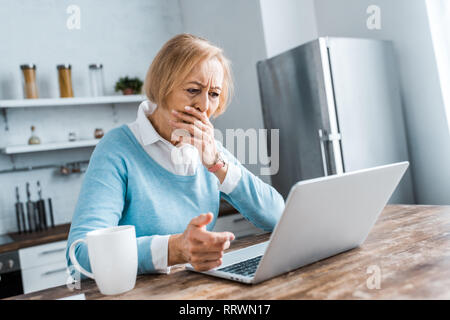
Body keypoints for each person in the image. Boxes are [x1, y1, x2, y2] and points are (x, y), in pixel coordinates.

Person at [66, 33, 285, 276]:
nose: (204, 105)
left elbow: (276, 217)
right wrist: (173, 249)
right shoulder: (117, 148)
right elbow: (81, 255)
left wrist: (216, 164)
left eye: (213, 94)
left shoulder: (209, 150)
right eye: (193, 90)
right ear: (162, 87)